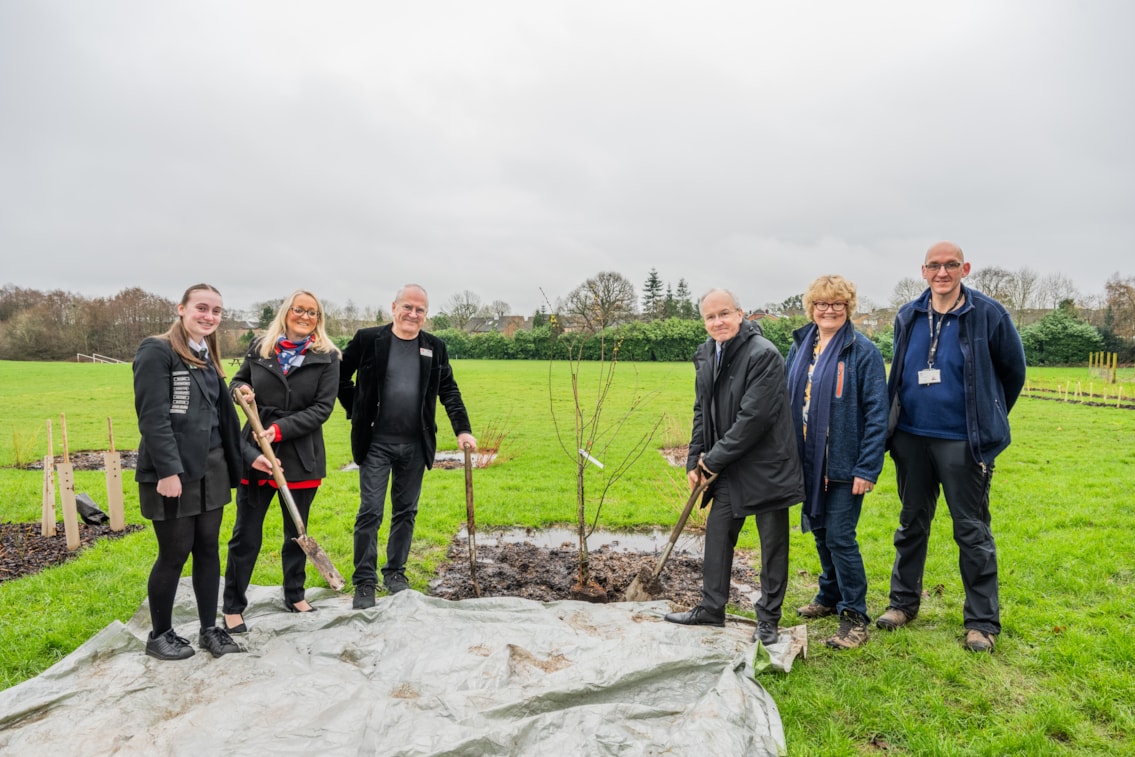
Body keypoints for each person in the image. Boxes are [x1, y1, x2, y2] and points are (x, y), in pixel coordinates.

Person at [878, 241, 1026, 653]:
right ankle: (903, 603)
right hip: (910, 437)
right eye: (934, 266)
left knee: (971, 530)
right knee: (911, 524)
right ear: (923, 271)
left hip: (963, 443)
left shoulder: (989, 314)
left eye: (951, 265)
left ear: (965, 268)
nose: (942, 272)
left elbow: (1013, 373)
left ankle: (981, 622)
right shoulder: (908, 315)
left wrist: (986, 417)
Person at [133, 283, 270, 661]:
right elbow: (153, 417)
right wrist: (168, 471)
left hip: (212, 470)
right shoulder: (157, 350)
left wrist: (247, 456)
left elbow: (219, 420)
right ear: (182, 309)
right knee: (175, 553)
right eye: (202, 308)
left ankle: (210, 629)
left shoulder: (207, 355)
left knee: (208, 549)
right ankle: (160, 635)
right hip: (173, 473)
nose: (209, 316)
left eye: (216, 311)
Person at [664, 289, 804, 646]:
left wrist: (713, 459)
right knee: (718, 535)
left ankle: (769, 618)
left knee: (772, 546)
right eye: (710, 317)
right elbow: (702, 411)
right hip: (727, 465)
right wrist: (696, 456)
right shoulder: (708, 354)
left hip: (765, 466)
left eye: (724, 314)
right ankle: (712, 608)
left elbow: (753, 419)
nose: (717, 322)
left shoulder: (764, 355)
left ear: (741, 314)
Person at [338, 284, 476, 609]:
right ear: (394, 307)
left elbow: (450, 392)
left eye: (420, 310)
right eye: (408, 307)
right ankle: (365, 581)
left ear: (426, 315)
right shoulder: (368, 339)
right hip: (376, 444)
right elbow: (339, 376)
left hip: (415, 445)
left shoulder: (434, 347)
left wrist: (463, 430)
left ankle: (395, 573)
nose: (413, 314)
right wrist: (356, 411)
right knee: (370, 511)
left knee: (406, 512)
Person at [222, 291, 341, 633]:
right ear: (286, 312)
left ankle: (294, 593)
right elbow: (238, 380)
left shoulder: (328, 356)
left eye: (313, 312)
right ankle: (233, 604)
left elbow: (322, 408)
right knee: (246, 534)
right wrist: (241, 392)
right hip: (256, 454)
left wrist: (278, 429)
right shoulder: (262, 346)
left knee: (296, 534)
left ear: (319, 319)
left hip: (301, 455)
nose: (305, 316)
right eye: (299, 309)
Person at [786, 275, 888, 650]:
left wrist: (867, 467)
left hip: (845, 464)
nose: (829, 310)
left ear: (848, 309)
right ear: (811, 308)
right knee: (818, 529)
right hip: (809, 461)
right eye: (821, 304)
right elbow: (786, 403)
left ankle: (854, 615)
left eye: (837, 305)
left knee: (841, 536)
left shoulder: (863, 352)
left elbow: (878, 413)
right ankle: (828, 596)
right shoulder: (800, 347)